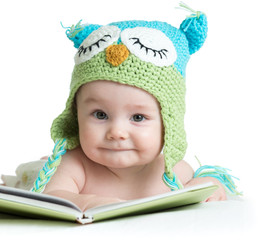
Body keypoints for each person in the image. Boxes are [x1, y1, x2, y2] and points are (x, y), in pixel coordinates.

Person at [31, 4, 240, 211]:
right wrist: (87, 202)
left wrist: (211, 184)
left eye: (138, 117)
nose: (116, 132)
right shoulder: (74, 165)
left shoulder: (172, 172)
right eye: (100, 114)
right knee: (36, 171)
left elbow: (205, 182)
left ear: (169, 123)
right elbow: (52, 198)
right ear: (76, 115)